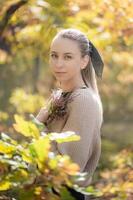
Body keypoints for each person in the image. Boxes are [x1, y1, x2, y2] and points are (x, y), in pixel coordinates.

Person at [36, 28, 104, 200]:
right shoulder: (62, 95)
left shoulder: (83, 99)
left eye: (67, 57)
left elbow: (69, 169)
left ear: (84, 61)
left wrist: (37, 128)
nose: (58, 63)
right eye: (54, 55)